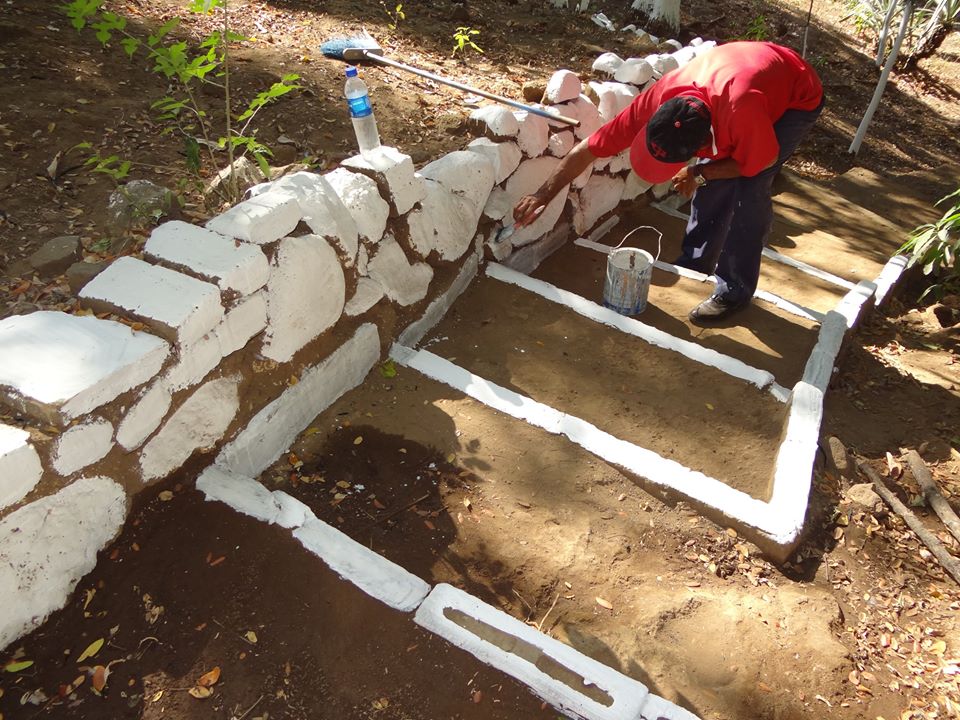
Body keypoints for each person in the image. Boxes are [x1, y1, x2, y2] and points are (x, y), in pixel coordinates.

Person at [513, 41, 824, 324]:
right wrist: (542, 194)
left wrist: (701, 173)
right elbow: (589, 147)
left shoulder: (741, 112)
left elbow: (760, 162)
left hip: (796, 95)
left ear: (704, 141)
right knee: (714, 184)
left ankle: (735, 289)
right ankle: (696, 263)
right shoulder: (660, 98)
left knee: (749, 191)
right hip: (742, 73)